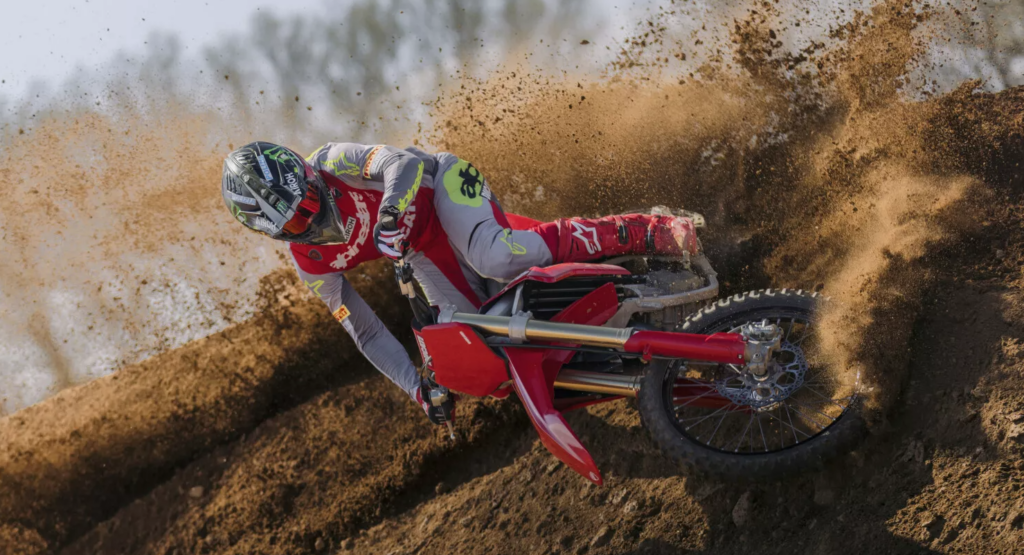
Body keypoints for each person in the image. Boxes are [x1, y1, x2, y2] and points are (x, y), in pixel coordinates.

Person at [220, 141, 697, 425]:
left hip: (443, 186)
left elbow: (402, 164)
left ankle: (644, 228)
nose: (313, 216)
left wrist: (390, 212)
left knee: (495, 256)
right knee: (474, 342)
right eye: (298, 222)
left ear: (304, 171)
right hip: (421, 248)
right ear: (273, 232)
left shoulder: (333, 160)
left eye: (310, 198)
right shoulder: (312, 266)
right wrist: (417, 389)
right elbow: (362, 330)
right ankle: (611, 349)